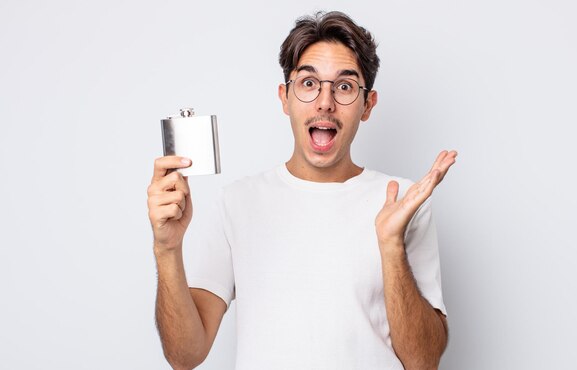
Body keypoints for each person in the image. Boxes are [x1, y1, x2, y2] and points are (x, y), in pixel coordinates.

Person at [147, 11, 457, 370]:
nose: (325, 102)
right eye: (309, 83)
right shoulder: (237, 202)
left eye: (344, 87)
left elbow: (424, 361)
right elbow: (185, 355)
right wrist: (166, 249)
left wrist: (390, 246)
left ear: (367, 105)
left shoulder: (404, 201)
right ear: (285, 97)